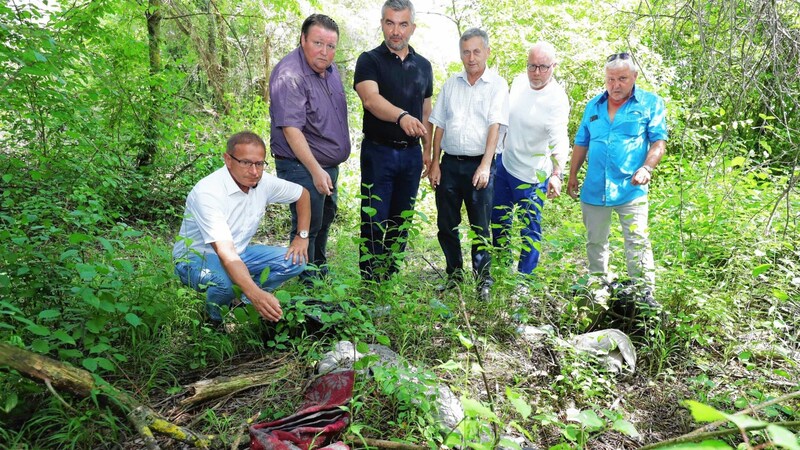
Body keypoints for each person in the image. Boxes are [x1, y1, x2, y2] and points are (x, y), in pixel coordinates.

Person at [173, 131, 311, 324]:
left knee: (296, 261)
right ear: (228, 160)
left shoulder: (263, 182)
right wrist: (256, 293)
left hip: (238, 253)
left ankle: (243, 305)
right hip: (196, 257)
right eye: (245, 163)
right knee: (224, 284)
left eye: (259, 163)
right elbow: (225, 253)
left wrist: (302, 236)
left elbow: (302, 194)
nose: (254, 171)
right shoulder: (208, 192)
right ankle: (213, 320)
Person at [567, 52, 667, 291]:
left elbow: (659, 142)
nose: (615, 85)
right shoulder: (594, 105)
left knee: (637, 241)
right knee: (596, 242)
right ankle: (598, 290)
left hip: (631, 188)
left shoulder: (650, 103)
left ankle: (644, 295)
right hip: (595, 188)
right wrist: (572, 175)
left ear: (634, 76)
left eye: (622, 78)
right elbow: (582, 142)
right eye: (610, 79)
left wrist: (647, 167)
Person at [353, 0, 433, 281]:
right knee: (374, 219)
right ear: (382, 24)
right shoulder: (369, 60)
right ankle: (370, 282)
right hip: (379, 152)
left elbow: (426, 111)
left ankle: (388, 278)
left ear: (412, 27)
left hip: (411, 156)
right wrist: (401, 117)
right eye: (389, 23)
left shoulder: (423, 66)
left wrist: (428, 152)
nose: (395, 31)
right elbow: (370, 100)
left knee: (402, 220)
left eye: (402, 24)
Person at [428, 28, 509, 300]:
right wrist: (434, 162)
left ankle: (483, 280)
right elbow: (438, 124)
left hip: (480, 165)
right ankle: (453, 274)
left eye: (476, 51)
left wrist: (486, 165)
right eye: (466, 51)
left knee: (480, 226)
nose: (471, 57)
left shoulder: (497, 85)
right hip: (450, 165)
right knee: (446, 224)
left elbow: (494, 126)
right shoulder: (451, 84)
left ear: (487, 51)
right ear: (460, 53)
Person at [269, 14, 350, 283]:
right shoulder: (290, 75)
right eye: (318, 43)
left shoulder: (330, 70)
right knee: (306, 227)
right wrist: (315, 170)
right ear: (303, 39)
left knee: (324, 220)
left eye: (331, 46)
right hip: (301, 166)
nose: (325, 52)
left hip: (325, 166)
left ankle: (318, 276)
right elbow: (291, 130)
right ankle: (307, 290)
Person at [491, 42, 570, 275]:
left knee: (530, 230)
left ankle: (524, 279)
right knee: (499, 221)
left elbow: (559, 139)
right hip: (505, 165)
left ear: (554, 66)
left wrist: (557, 174)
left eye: (543, 67)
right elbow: (503, 120)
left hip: (534, 175)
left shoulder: (557, 99)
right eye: (532, 66)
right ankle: (501, 269)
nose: (536, 73)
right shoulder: (518, 82)